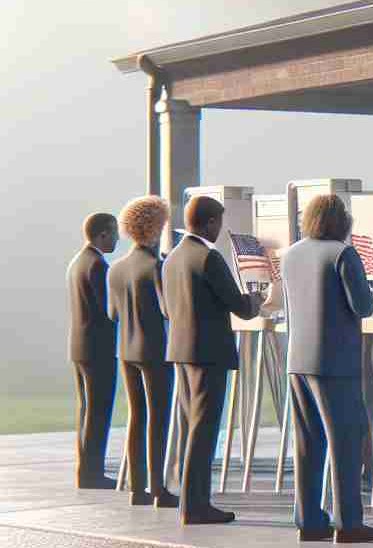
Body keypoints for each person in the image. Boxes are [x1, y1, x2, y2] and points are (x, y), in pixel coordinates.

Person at [280, 194, 373, 543]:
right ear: (341, 221)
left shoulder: (292, 254)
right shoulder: (343, 253)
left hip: (298, 360)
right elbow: (364, 305)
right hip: (335, 362)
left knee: (308, 444)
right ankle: (349, 522)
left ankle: (309, 520)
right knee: (346, 442)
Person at [163, 196, 263, 524]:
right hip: (208, 354)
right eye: (218, 222)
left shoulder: (173, 257)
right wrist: (258, 299)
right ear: (209, 223)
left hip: (182, 351)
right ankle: (195, 506)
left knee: (193, 427)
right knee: (203, 431)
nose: (220, 229)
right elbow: (239, 305)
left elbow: (168, 308)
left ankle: (192, 502)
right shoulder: (209, 258)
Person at [110, 196, 179, 508]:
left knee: (137, 417)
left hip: (125, 349)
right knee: (159, 418)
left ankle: (137, 488)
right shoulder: (156, 267)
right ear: (155, 227)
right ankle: (158, 489)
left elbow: (113, 314)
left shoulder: (116, 268)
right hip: (154, 351)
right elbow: (169, 311)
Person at [68, 211, 120, 490]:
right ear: (102, 234)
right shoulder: (98, 265)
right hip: (97, 349)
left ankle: (86, 470)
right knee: (99, 411)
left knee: (86, 410)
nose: (117, 239)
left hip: (79, 346)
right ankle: (92, 473)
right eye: (114, 233)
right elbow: (109, 310)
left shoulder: (78, 262)